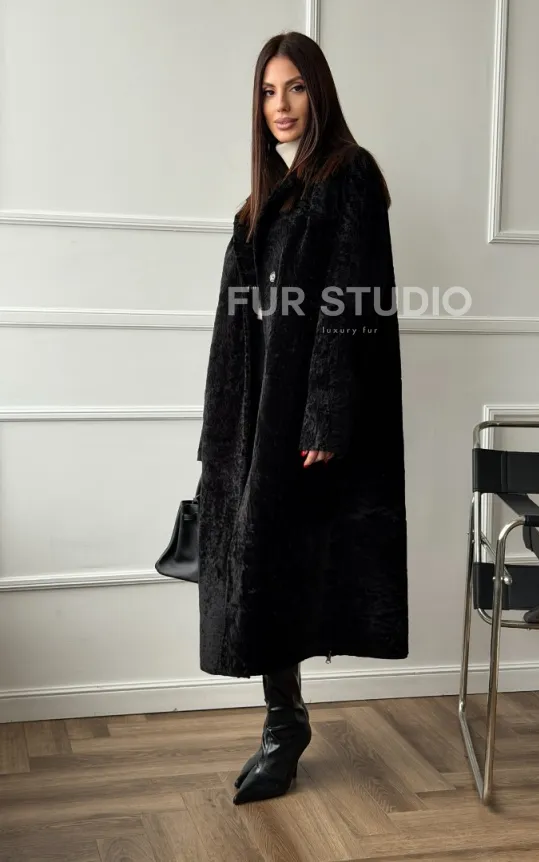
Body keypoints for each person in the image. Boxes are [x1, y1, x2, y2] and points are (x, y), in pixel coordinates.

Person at [195, 31, 408, 804]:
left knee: (287, 563)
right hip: (252, 420)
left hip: (303, 419)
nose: (279, 105)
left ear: (319, 93)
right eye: (267, 91)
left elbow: (352, 302)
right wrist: (219, 435)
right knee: (258, 566)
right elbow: (234, 328)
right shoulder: (263, 202)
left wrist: (323, 414)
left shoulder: (349, 176)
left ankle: (284, 729)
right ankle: (284, 719)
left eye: (294, 88)